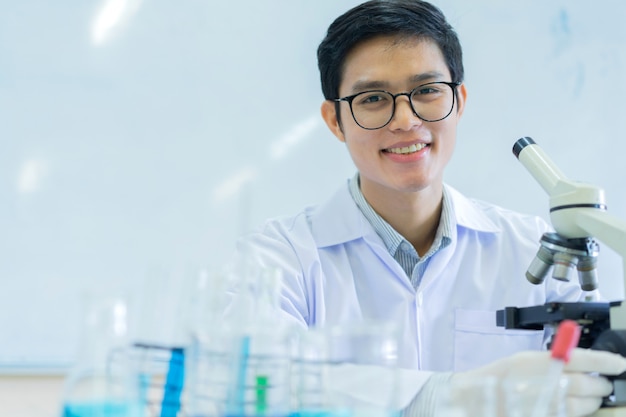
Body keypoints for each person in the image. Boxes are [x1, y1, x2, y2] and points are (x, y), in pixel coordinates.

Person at [227, 1, 626, 415]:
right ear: (334, 120)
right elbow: (253, 380)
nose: (404, 119)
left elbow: (596, 377)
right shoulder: (279, 258)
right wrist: (452, 395)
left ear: (459, 101)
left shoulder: (535, 249)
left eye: (427, 91)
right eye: (373, 98)